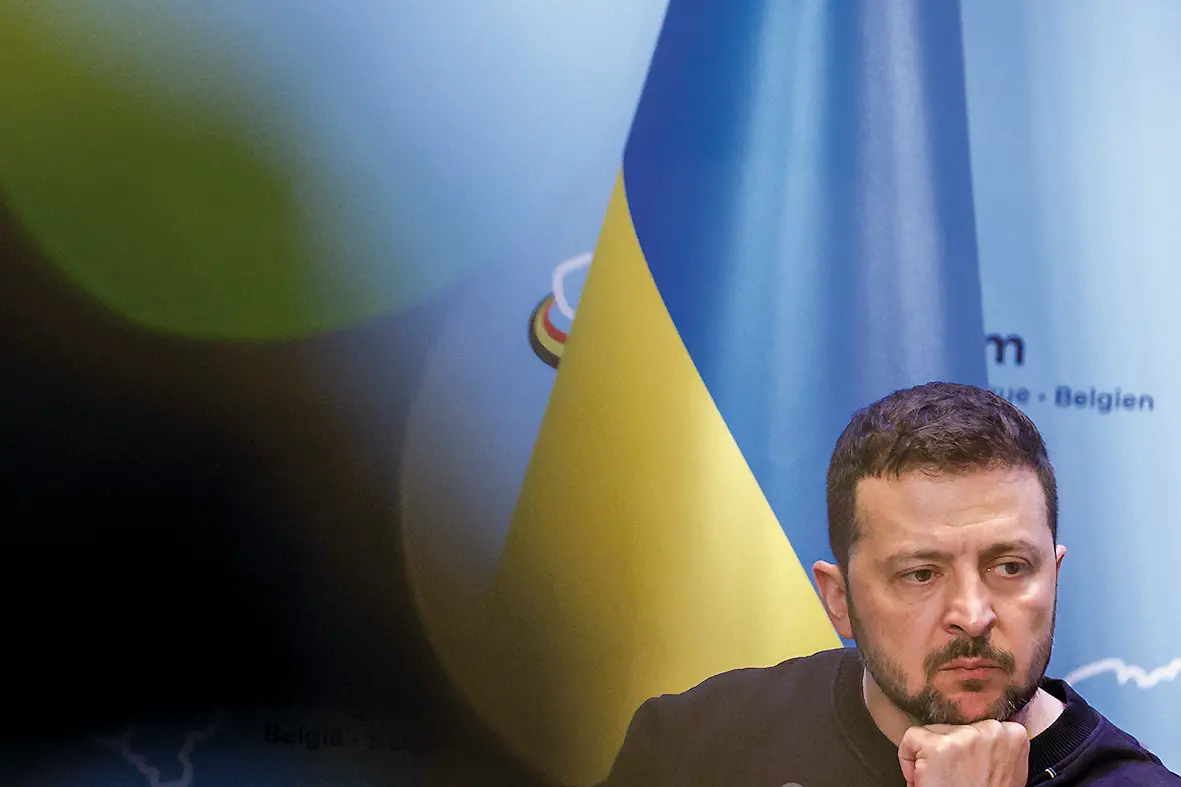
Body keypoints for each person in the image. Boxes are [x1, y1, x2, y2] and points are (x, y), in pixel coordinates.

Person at [596, 382, 1181, 787]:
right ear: (839, 601)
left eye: (1009, 567)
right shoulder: (697, 748)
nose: (973, 615)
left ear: (1053, 577)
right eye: (920, 575)